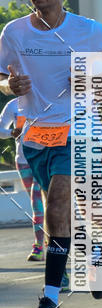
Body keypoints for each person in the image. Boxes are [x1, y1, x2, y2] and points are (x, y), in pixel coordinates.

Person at [0, 0, 102, 308]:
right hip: (35, 136)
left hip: (78, 130)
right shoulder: (14, 33)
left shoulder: (88, 31)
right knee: (72, 209)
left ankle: (50, 300)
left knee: (59, 203)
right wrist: (8, 87)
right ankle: (100, 242)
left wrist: (96, 82)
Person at [0, 97, 45, 260]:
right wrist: (11, 133)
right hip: (23, 161)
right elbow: (0, 129)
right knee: (38, 207)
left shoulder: (45, 99)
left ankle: (39, 247)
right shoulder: (12, 105)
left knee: (37, 203)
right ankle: (47, 241)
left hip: (44, 159)